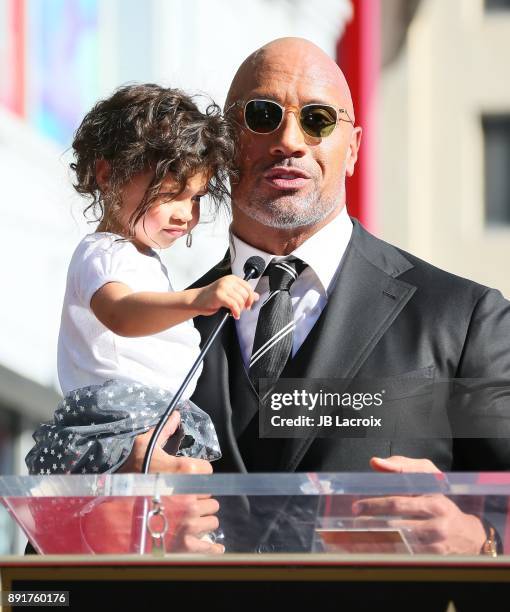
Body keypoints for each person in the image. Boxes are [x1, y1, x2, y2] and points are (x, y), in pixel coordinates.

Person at [124, 39, 510, 554]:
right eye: (262, 115)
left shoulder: (463, 320)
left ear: (351, 148)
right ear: (222, 146)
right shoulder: (148, 326)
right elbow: (43, 565)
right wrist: (117, 508)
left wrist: (481, 538)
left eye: (319, 119)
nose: (290, 140)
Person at [24, 83, 258, 554]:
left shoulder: (145, 259)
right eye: (170, 193)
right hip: (117, 419)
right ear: (109, 175)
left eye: (194, 198)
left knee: (177, 526)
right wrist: (197, 300)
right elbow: (120, 313)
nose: (185, 214)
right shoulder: (101, 252)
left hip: (156, 417)